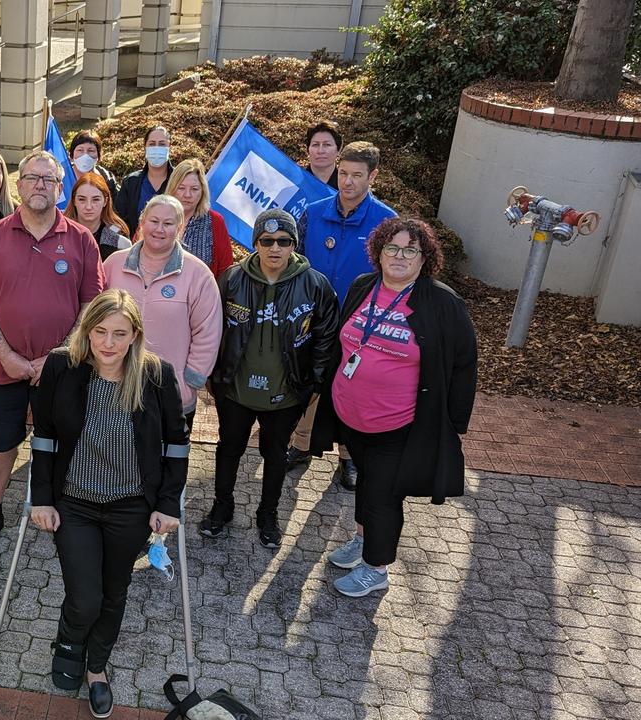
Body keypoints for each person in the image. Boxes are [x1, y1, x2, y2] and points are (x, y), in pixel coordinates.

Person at [29, 289, 187, 717]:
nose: (109, 344)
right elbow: (43, 435)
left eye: (120, 334)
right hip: (74, 503)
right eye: (99, 332)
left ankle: (96, 669)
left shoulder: (156, 374)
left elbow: (177, 444)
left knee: (114, 593)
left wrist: (169, 504)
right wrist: (40, 498)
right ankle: (69, 640)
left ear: (135, 335)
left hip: (131, 506)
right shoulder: (63, 365)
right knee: (86, 598)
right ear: (87, 330)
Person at [309, 217, 476, 597]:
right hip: (352, 416)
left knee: (384, 494)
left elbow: (464, 364)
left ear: (424, 257)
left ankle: (376, 567)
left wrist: (453, 422)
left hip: (398, 424)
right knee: (366, 483)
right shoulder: (363, 286)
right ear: (379, 252)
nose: (399, 256)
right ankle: (362, 540)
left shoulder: (442, 303)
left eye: (410, 250)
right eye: (392, 248)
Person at [0, 150, 104, 554]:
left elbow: (90, 308)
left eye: (49, 179)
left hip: (64, 368)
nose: (40, 185)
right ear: (19, 184)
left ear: (61, 189)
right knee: (2, 440)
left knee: (63, 439)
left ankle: (62, 509)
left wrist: (59, 356)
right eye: (32, 178)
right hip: (2, 365)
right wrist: (7, 355)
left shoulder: (81, 239)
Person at [200, 209, 339, 548]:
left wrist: (314, 381)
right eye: (267, 240)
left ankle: (268, 514)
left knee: (275, 455)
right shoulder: (231, 279)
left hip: (286, 392)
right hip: (235, 390)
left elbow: (326, 335)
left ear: (293, 243)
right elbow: (210, 329)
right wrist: (212, 375)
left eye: (283, 241)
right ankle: (222, 507)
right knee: (228, 449)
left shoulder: (315, 284)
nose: (275, 248)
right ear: (255, 243)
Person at [288, 141, 397, 489]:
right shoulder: (314, 212)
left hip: (361, 322)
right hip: (315, 316)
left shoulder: (386, 222)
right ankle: (300, 444)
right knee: (311, 379)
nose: (347, 182)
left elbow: (392, 275)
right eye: (343, 173)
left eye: (356, 175)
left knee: (352, 387)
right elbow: (297, 261)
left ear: (373, 176)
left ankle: (349, 458)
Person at [103, 195, 221, 422]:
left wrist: (191, 380)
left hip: (171, 391)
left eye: (168, 224)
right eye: (154, 221)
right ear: (142, 222)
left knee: (168, 456)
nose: (159, 229)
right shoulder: (113, 265)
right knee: (117, 453)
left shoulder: (198, 274)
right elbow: (94, 320)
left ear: (179, 228)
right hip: (115, 385)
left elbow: (208, 331)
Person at [165, 158, 235, 279]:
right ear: (172, 189)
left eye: (194, 189)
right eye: (181, 188)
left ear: (202, 191)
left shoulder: (215, 221)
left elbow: (226, 270)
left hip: (202, 294)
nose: (187, 194)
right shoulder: (155, 214)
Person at [114, 125, 173, 237]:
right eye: (152, 144)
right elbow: (119, 219)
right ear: (145, 147)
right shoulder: (130, 182)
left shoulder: (179, 180)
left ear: (170, 147)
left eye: (162, 144)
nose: (157, 148)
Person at [64, 172, 128, 262]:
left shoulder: (117, 236)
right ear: (74, 200)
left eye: (96, 199)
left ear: (105, 201)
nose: (88, 207)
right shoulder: (60, 232)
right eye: (82, 199)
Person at [67, 130, 119, 198]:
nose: (85, 155)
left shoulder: (108, 180)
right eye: (80, 150)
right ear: (72, 154)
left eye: (90, 150)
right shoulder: (62, 177)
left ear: (98, 155)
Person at [304, 120, 342, 189]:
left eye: (327, 145)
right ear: (308, 149)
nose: (320, 151)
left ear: (338, 149)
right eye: (315, 145)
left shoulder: (348, 187)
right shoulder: (294, 185)